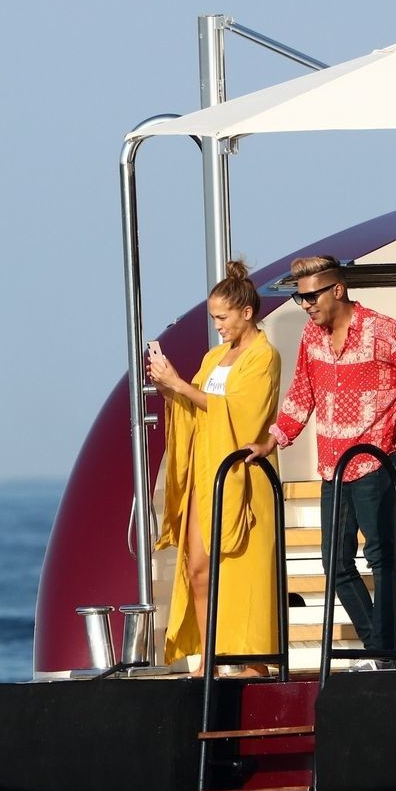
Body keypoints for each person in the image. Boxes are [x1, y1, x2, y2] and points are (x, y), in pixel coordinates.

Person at [246, 256, 396, 667]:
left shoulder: (381, 330)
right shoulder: (312, 335)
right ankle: (380, 649)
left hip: (375, 457)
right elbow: (302, 393)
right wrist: (272, 440)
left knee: (381, 557)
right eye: (300, 298)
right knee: (334, 562)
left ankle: (383, 654)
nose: (306, 305)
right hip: (333, 465)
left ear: (337, 289)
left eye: (311, 296)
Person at [146, 261, 282, 674]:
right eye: (214, 318)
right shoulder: (214, 357)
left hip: (242, 472)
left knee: (246, 570)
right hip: (205, 470)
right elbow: (197, 408)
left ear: (246, 312)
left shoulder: (264, 356)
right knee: (198, 567)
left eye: (222, 318)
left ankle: (255, 661)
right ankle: (210, 656)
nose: (218, 326)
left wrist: (181, 386)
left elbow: (242, 413)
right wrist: (171, 387)